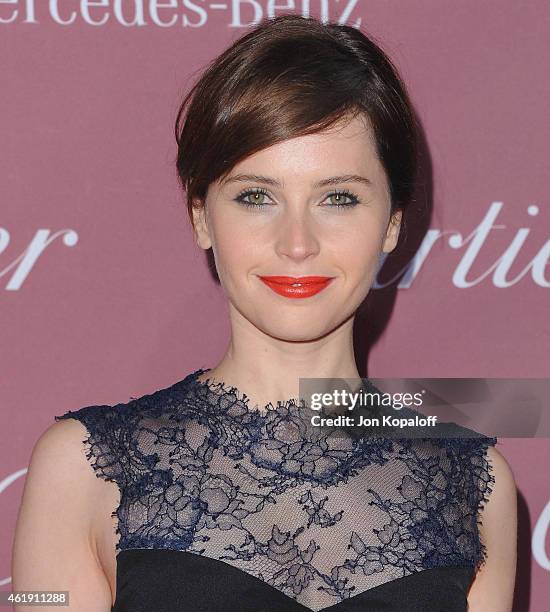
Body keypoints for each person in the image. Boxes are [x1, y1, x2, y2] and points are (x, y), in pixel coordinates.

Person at [12, 14, 517, 612]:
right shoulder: (86, 467)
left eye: (338, 197)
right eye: (257, 196)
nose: (296, 242)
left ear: (393, 222)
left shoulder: (473, 482)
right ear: (201, 214)